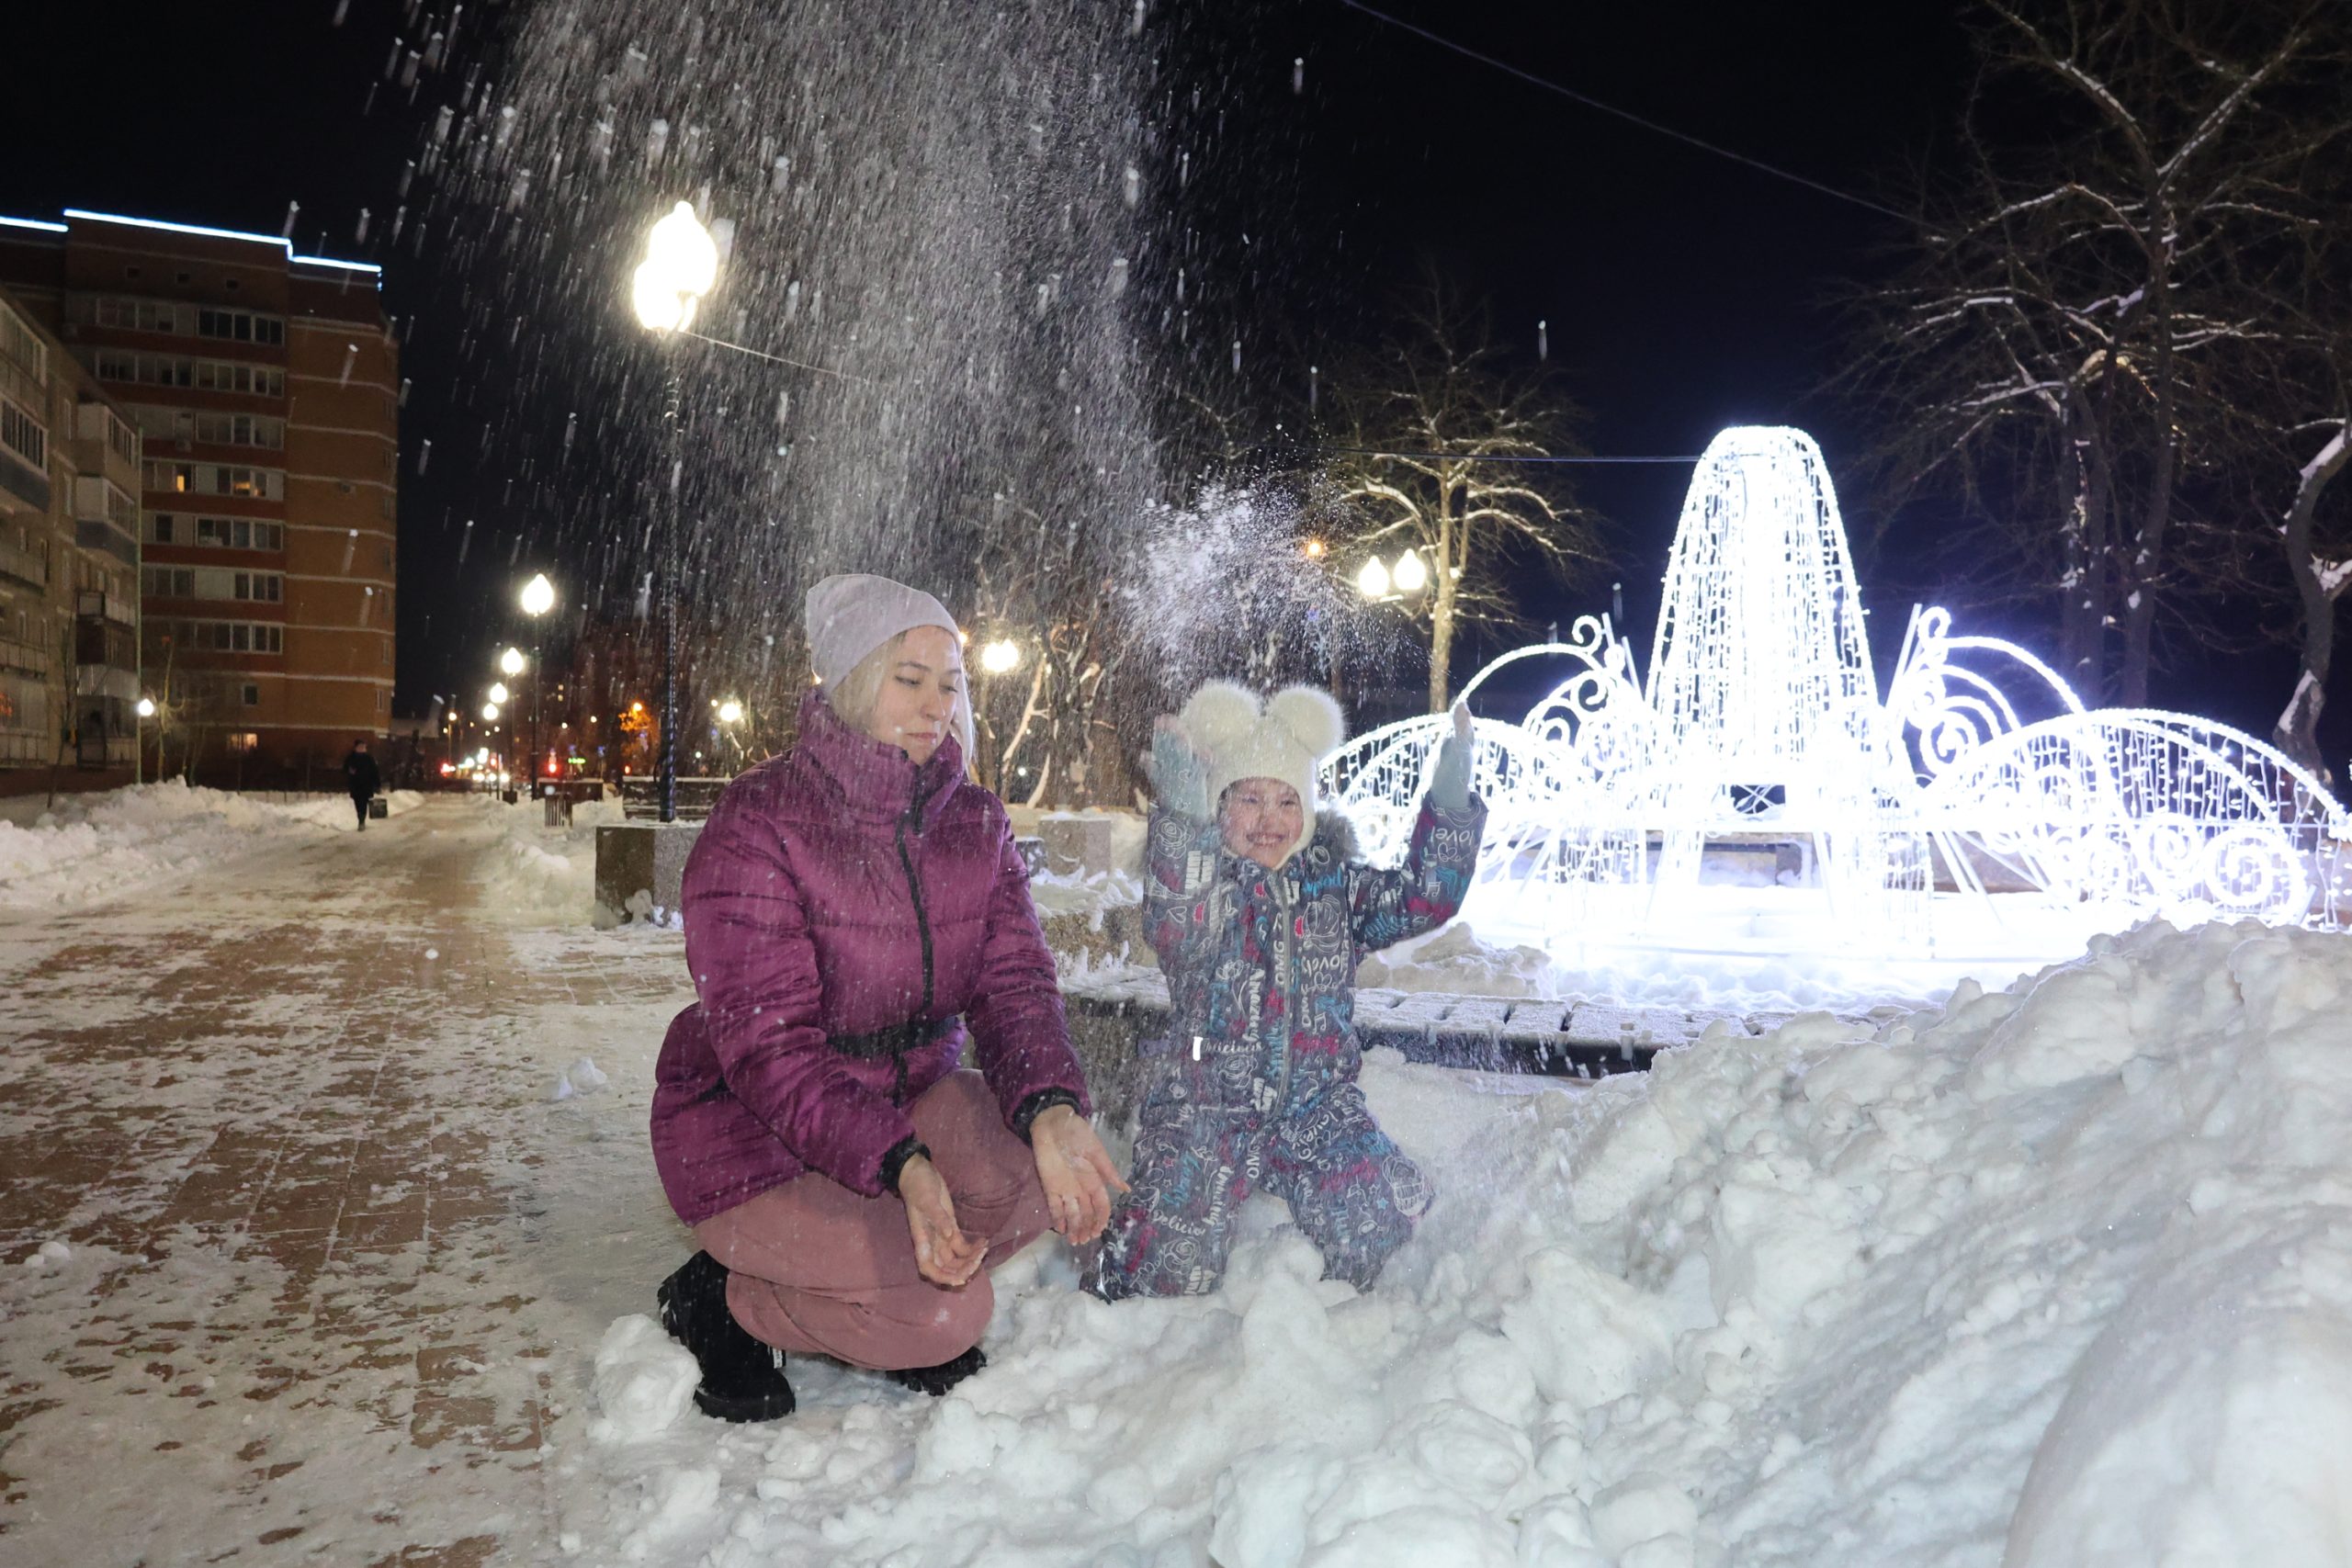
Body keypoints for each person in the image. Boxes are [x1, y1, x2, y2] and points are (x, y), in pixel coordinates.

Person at [650, 572, 1125, 1422]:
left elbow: (1015, 983)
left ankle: (872, 1285)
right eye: (910, 679)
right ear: (855, 679)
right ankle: (725, 1295)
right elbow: (770, 1051)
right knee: (948, 1315)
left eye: (950, 682)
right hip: (750, 1133)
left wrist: (1052, 1107)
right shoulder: (759, 820)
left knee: (1033, 1171)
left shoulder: (973, 821)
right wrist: (903, 1164)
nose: (935, 704)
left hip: (903, 1107)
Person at [1091, 681, 1486, 1300]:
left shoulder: (1336, 890)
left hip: (1316, 1102)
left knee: (1384, 1227)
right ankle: (1125, 1302)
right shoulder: (1206, 893)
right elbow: (1175, 911)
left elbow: (1423, 895)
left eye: (1286, 800)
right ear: (1218, 806)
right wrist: (1182, 816)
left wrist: (1452, 801)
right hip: (1208, 1101)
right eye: (1248, 798)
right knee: (1165, 1264)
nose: (1270, 818)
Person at [342, 739, 381, 830]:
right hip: (355, 784)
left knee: (364, 802)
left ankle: (361, 821)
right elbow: (345, 768)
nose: (362, 748)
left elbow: (375, 771)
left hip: (366, 785)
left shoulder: (369, 758)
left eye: (363, 747)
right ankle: (360, 817)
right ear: (356, 747)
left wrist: (377, 784)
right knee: (357, 802)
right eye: (360, 746)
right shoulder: (351, 757)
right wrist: (349, 770)